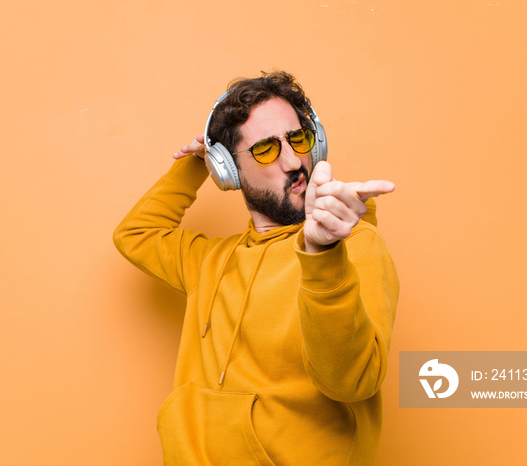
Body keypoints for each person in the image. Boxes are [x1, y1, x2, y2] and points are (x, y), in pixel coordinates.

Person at [113, 71, 399, 465]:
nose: (294, 161)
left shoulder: (353, 247)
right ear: (229, 169)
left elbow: (352, 382)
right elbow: (136, 234)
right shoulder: (209, 261)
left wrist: (322, 255)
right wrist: (195, 166)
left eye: (298, 139)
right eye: (265, 149)